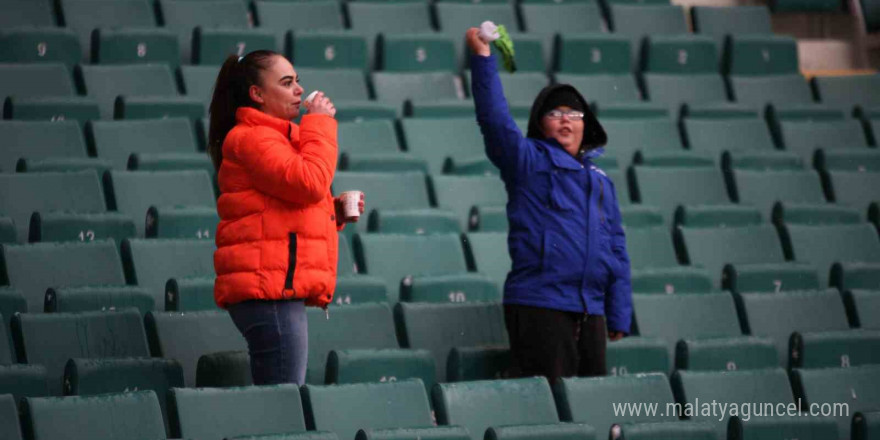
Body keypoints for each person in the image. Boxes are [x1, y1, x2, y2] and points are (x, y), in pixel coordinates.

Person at [465, 29, 633, 383]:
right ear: (541, 125)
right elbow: (494, 121)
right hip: (541, 306)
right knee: (552, 411)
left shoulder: (601, 180)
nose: (565, 119)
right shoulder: (528, 161)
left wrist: (618, 312)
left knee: (591, 410)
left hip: (591, 312)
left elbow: (616, 248)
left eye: (574, 113)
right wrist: (483, 59)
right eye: (555, 112)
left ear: (585, 125)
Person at [208, 50, 364, 386]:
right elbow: (309, 182)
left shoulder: (272, 138)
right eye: (286, 82)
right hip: (269, 291)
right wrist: (320, 123)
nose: (299, 89)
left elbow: (285, 204)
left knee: (282, 397)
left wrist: (331, 212)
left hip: (275, 286)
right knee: (284, 400)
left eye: (297, 81)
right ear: (257, 94)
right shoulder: (253, 137)